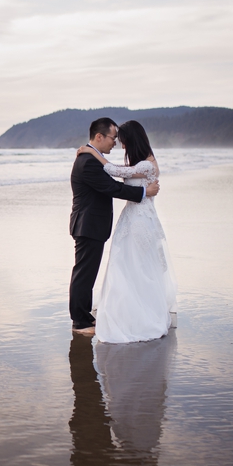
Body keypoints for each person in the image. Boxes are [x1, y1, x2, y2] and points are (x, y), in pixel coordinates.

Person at [77, 120, 177, 343]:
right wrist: (144, 191)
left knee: (137, 265)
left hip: (140, 220)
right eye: (118, 141)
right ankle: (125, 309)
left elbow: (113, 170)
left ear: (133, 141)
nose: (121, 146)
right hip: (132, 217)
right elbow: (119, 175)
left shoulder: (147, 165)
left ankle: (139, 314)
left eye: (124, 142)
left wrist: (90, 152)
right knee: (126, 263)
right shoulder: (141, 162)